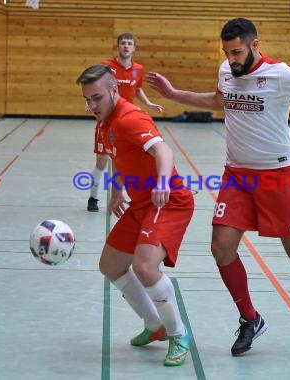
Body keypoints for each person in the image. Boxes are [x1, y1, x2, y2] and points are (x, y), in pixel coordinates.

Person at [146, 18, 290, 363]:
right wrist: (174, 94)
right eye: (227, 52)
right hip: (237, 174)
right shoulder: (226, 70)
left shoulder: (282, 75)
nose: (231, 59)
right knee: (221, 247)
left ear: (254, 45)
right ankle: (250, 318)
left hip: (278, 173)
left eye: (236, 52)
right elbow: (218, 101)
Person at [77, 64, 194, 366]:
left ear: (114, 91)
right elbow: (118, 157)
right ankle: (154, 326)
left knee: (145, 267)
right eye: (87, 99)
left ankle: (177, 334)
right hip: (141, 202)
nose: (91, 106)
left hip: (168, 201)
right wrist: (116, 189)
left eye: (96, 98)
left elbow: (163, 151)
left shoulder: (130, 118)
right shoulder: (103, 123)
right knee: (111, 265)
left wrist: (163, 182)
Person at [87, 32, 163, 212]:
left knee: (122, 161)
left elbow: (137, 89)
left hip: (127, 123)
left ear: (134, 48)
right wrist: (89, 103)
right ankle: (93, 197)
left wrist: (149, 103)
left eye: (129, 43)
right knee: (102, 162)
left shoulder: (138, 69)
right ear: (118, 46)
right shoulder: (106, 66)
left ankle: (122, 195)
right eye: (123, 43)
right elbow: (92, 85)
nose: (126, 46)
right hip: (107, 121)